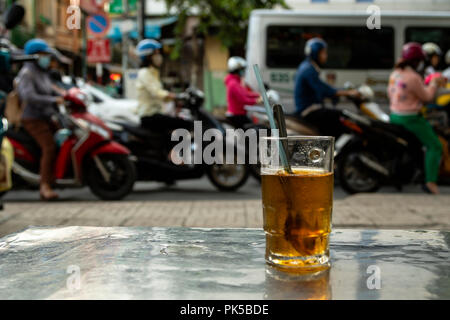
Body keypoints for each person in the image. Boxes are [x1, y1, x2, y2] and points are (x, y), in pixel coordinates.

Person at [388, 42, 445, 195]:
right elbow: (427, 96)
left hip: (394, 116)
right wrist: (433, 83)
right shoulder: (413, 77)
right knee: (435, 145)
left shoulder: (395, 74)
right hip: (411, 119)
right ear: (417, 61)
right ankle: (431, 182)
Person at [17, 39, 65, 200]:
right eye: (43, 55)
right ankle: (44, 185)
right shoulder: (27, 73)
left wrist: (64, 95)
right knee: (49, 147)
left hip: (46, 116)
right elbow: (29, 96)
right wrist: (53, 101)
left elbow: (53, 90)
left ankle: (53, 178)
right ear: (34, 56)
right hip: (32, 118)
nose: (46, 58)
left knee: (61, 142)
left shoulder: (42, 73)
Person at [134, 39, 193, 153]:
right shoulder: (145, 73)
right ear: (148, 56)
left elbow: (161, 94)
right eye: (156, 53)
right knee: (185, 124)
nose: (159, 56)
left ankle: (171, 155)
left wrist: (173, 98)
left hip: (155, 114)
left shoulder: (153, 73)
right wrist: (175, 96)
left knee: (172, 130)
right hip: (149, 116)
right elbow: (157, 92)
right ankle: (175, 157)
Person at [293, 38, 359, 137]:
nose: (326, 56)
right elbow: (323, 89)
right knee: (341, 117)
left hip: (311, 109)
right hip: (309, 111)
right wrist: (348, 93)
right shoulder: (308, 70)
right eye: (323, 53)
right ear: (315, 54)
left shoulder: (309, 66)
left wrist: (339, 93)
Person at [225, 57, 262, 128]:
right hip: (237, 116)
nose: (244, 71)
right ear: (237, 70)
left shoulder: (235, 82)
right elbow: (243, 99)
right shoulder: (233, 84)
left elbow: (246, 94)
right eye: (242, 69)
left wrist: (259, 95)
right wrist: (257, 100)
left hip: (239, 114)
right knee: (258, 130)